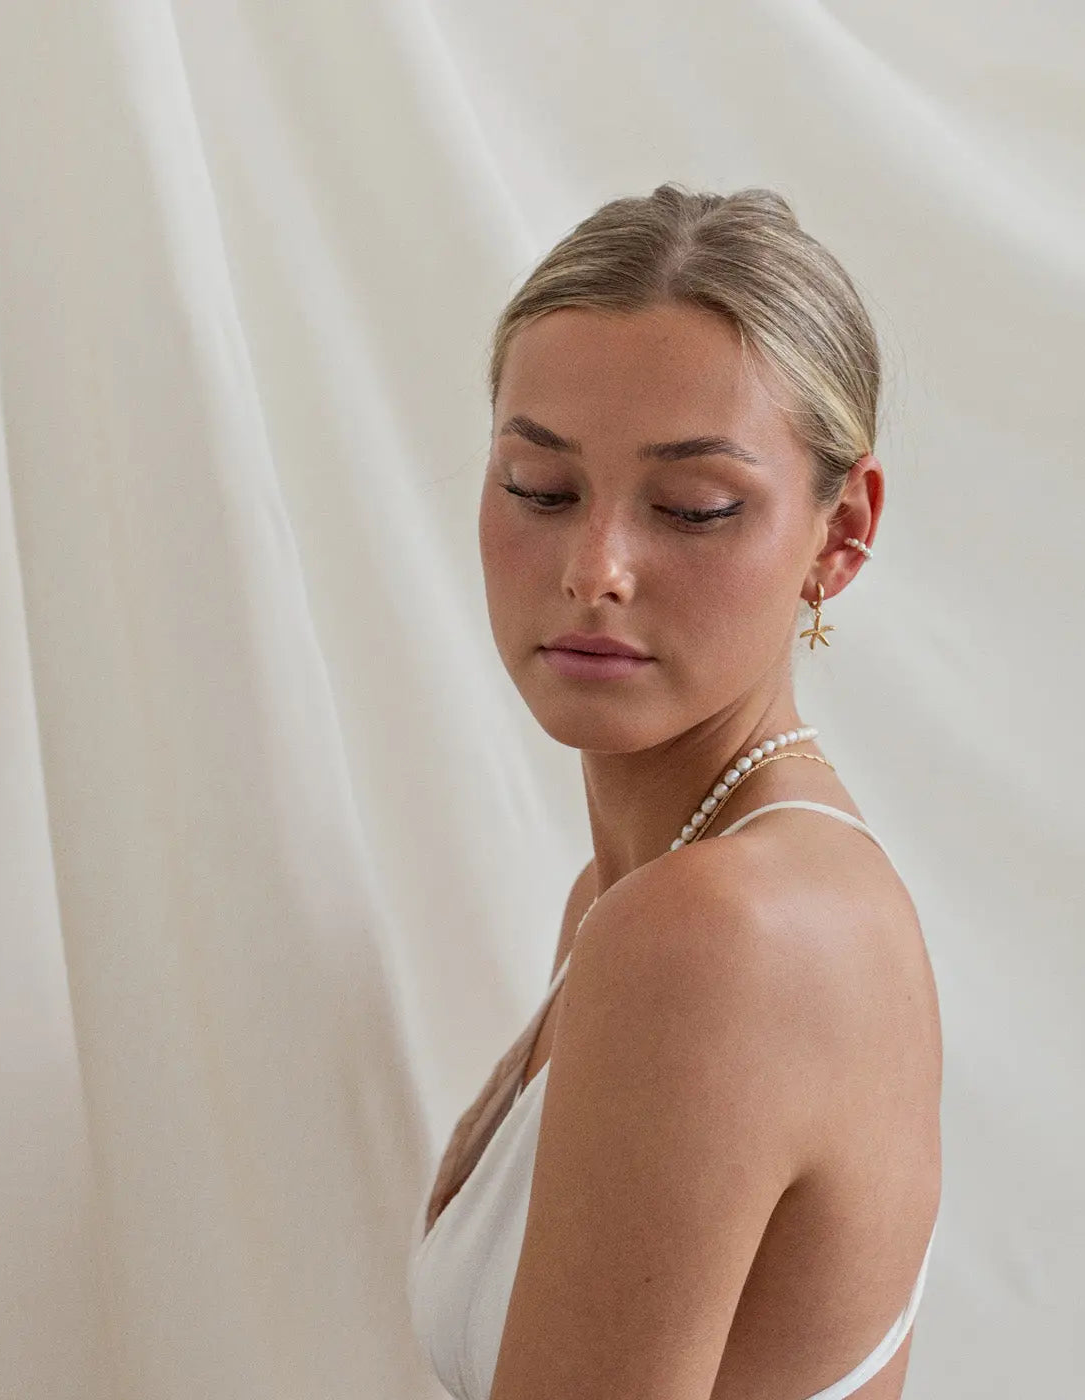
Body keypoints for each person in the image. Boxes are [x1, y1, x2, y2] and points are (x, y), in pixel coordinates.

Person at [408, 182, 942, 1400]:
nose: (594, 568)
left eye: (692, 508)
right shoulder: (632, 894)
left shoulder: (717, 931)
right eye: (538, 486)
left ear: (839, 534)